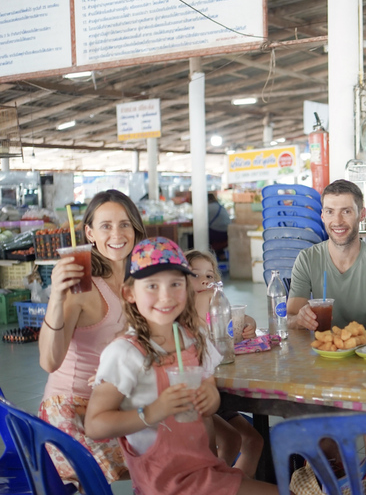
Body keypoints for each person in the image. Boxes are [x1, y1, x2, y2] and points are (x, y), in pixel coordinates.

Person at [84, 237, 277, 495]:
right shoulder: (125, 353)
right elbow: (95, 425)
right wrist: (152, 412)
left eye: (175, 284)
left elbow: (209, 395)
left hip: (204, 471)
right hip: (164, 484)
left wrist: (210, 399)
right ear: (129, 293)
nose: (165, 296)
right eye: (152, 285)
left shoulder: (193, 338)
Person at [38, 189, 147, 485]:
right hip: (73, 410)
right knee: (157, 458)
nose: (117, 234)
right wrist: (57, 298)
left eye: (125, 224)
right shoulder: (81, 287)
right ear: (89, 233)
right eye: (106, 226)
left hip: (115, 402)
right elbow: (49, 361)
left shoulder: (139, 281)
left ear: (136, 228)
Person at [186, 249, 263, 477]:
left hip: (215, 388)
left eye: (209, 276)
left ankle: (227, 485)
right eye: (195, 274)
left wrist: (248, 324)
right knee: (234, 439)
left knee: (252, 440)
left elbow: (239, 320)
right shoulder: (185, 309)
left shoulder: (214, 303)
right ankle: (219, 484)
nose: (203, 280)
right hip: (199, 393)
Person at [288, 179, 366, 333]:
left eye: (346, 211)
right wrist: (299, 319)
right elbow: (290, 320)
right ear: (322, 216)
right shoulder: (307, 259)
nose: (337, 221)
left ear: (361, 214)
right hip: (321, 352)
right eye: (330, 212)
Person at [208, 192, 231, 260]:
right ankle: (222, 256)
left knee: (200, 235)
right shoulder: (220, 206)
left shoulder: (208, 207)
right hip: (226, 234)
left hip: (217, 234)